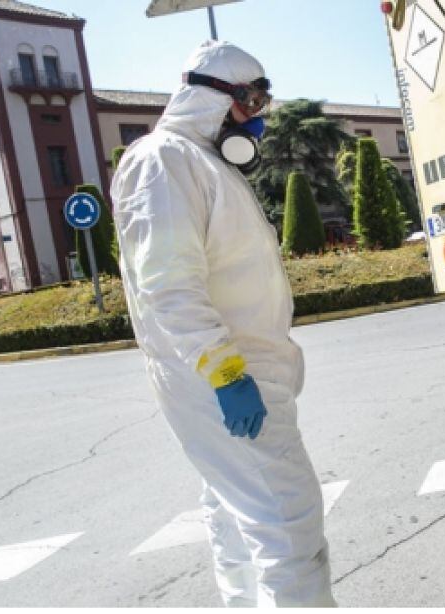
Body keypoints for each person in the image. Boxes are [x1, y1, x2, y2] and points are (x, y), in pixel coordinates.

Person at [111, 41, 334, 607]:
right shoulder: (164, 159)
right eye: (250, 102)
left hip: (240, 372)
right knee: (288, 525)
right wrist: (226, 373)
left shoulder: (201, 162)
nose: (257, 120)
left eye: (263, 104)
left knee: (237, 518)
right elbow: (167, 283)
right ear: (212, 97)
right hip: (227, 376)